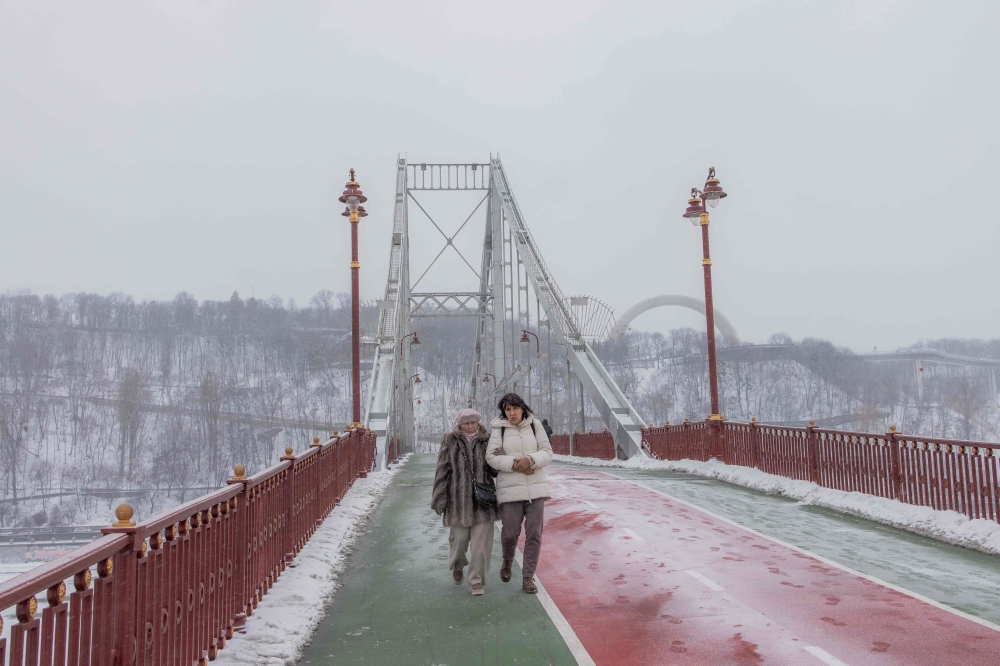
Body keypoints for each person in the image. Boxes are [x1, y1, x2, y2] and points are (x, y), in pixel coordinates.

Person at [486, 393, 553, 594]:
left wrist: (530, 460)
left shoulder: (535, 425)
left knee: (534, 534)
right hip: (510, 490)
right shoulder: (498, 428)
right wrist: (516, 464)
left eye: (515, 408)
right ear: (503, 411)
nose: (512, 413)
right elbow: (491, 455)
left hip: (536, 489)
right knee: (509, 533)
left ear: (523, 408)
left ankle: (528, 577)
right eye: (507, 409)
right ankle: (507, 560)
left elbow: (547, 451)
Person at [431, 408, 501, 596]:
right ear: (460, 424)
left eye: (473, 423)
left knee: (480, 547)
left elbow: (496, 470)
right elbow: (442, 469)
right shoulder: (450, 440)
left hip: (483, 503)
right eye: (466, 423)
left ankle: (476, 581)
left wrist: (500, 456)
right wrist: (439, 497)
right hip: (457, 501)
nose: (470, 427)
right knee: (459, 540)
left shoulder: (488, 439)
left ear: (478, 422)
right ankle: (458, 564)